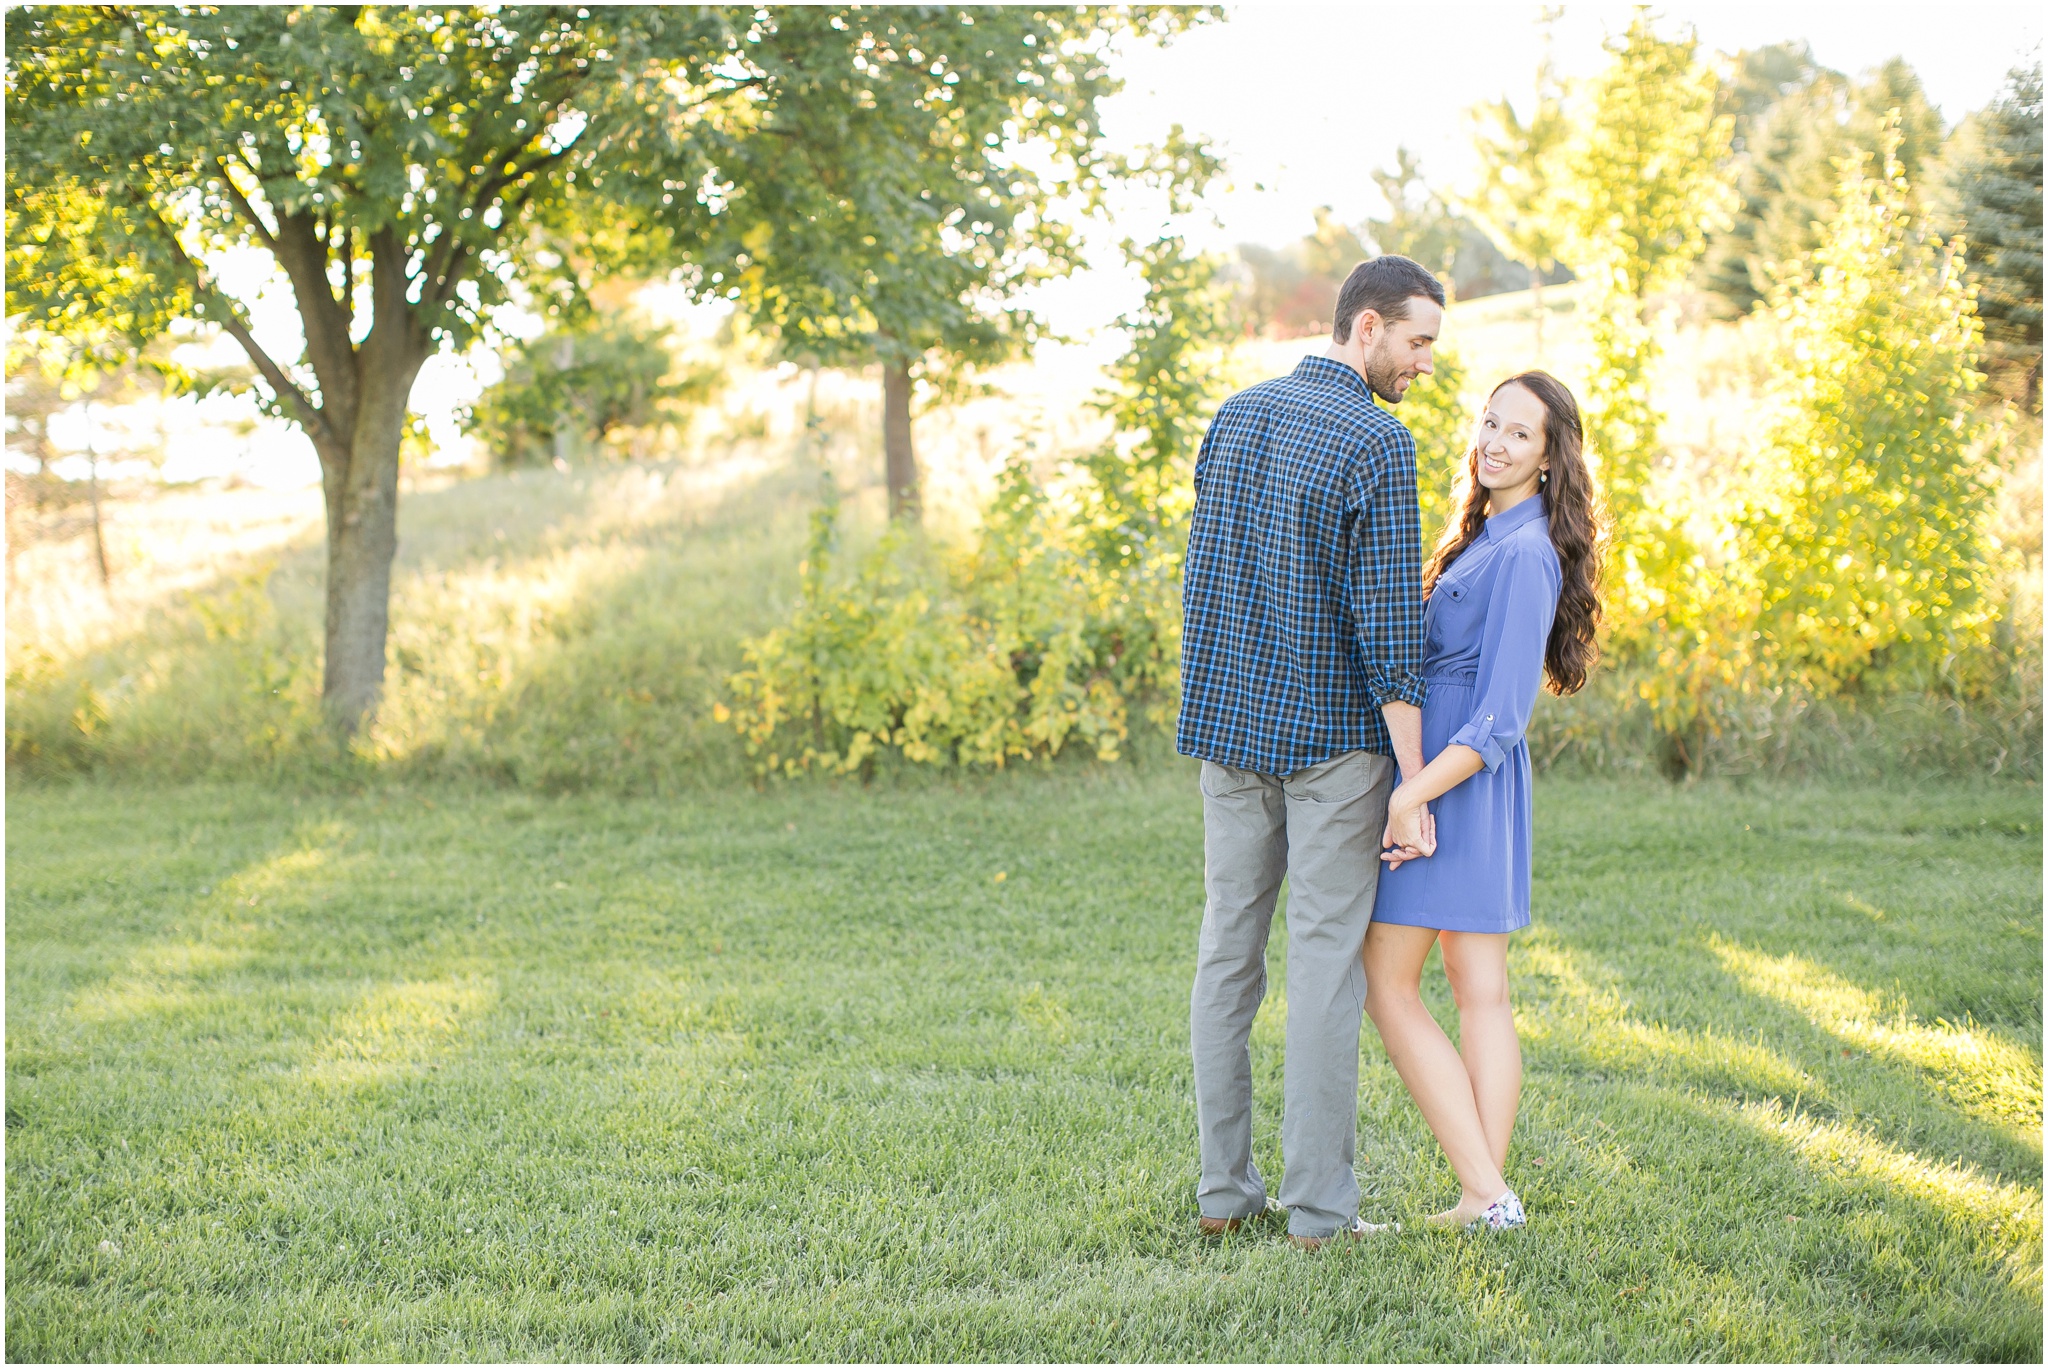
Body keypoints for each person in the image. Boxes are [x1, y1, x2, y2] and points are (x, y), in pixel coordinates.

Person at [1179, 254, 1444, 1250]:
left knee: (1225, 957)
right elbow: (1389, 639)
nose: (1422, 364)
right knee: (1324, 970)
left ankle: (1222, 1193)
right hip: (1332, 750)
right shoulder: (1377, 443)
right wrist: (1410, 785)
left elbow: (1209, 576)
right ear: (1365, 327)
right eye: (1416, 341)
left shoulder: (1234, 417)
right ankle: (1321, 1214)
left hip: (1229, 735)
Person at [1365, 370, 1604, 1231]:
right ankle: (1484, 1194)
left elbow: (1502, 715)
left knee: (1393, 981)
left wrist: (1410, 796)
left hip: (1458, 784)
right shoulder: (1486, 533)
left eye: (1519, 434)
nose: (1494, 442)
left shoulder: (1528, 552)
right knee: (1476, 986)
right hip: (1442, 778)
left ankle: (1487, 1190)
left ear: (1550, 459)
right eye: (1489, 423)